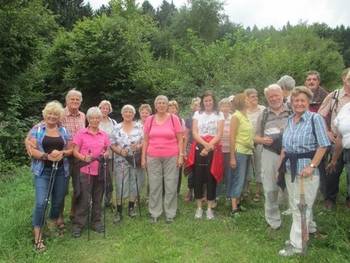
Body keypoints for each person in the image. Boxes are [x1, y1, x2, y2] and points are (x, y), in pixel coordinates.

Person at [278, 86, 330, 256]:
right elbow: (285, 148)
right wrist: (279, 166)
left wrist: (312, 166)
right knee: (294, 205)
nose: (299, 103)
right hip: (289, 168)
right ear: (291, 103)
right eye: (296, 100)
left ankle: (297, 245)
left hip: (306, 171)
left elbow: (323, 145)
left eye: (302, 100)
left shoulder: (315, 119)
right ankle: (299, 236)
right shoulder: (289, 120)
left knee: (303, 207)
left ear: (308, 102)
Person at [26, 101, 72, 251]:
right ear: (45, 114)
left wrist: (62, 153)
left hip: (61, 171)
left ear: (59, 116)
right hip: (42, 172)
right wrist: (47, 156)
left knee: (58, 201)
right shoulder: (37, 129)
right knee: (41, 202)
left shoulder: (63, 130)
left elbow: (70, 149)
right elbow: (32, 150)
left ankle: (52, 222)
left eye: (55, 114)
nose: (52, 116)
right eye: (50, 113)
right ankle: (38, 237)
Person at [254, 84, 291, 228]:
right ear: (267, 98)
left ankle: (298, 217)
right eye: (271, 96)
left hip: (290, 153)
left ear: (282, 95)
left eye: (276, 95)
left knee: (292, 185)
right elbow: (255, 137)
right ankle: (273, 220)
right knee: (270, 188)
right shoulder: (263, 114)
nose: (274, 98)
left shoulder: (292, 110)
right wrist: (262, 140)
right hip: (269, 153)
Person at [141, 95, 183, 223]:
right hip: (152, 156)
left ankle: (170, 213)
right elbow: (146, 140)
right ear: (155, 105)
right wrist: (143, 158)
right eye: (158, 103)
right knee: (154, 185)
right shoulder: (150, 119)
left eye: (163, 103)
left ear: (167, 105)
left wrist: (181, 156)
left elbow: (180, 139)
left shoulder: (174, 119)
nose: (161, 105)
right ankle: (155, 213)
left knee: (171, 184)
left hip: (171, 156)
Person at [71, 107, 110, 238]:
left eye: (97, 118)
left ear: (100, 119)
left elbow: (107, 150)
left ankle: (96, 222)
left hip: (99, 170)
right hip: (85, 170)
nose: (95, 120)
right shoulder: (81, 133)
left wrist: (105, 154)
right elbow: (74, 151)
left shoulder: (104, 135)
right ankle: (78, 224)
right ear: (88, 119)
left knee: (98, 198)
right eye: (92, 118)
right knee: (84, 198)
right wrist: (83, 158)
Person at [188, 90, 224, 220]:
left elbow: (219, 133)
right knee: (198, 177)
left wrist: (209, 147)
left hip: (213, 148)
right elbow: (194, 132)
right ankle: (198, 208)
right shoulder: (198, 113)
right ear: (203, 102)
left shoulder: (219, 115)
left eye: (210, 100)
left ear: (213, 101)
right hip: (199, 146)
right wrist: (204, 145)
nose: (208, 102)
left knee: (211, 178)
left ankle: (209, 208)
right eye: (205, 100)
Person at [319, 68, 350, 208]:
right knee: (333, 170)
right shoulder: (334, 96)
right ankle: (330, 198)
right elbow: (319, 116)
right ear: (343, 78)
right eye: (349, 79)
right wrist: (327, 132)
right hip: (336, 139)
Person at [110, 105, 143, 223]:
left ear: (133, 114)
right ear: (122, 114)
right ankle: (118, 210)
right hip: (121, 160)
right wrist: (119, 151)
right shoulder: (116, 127)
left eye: (130, 112)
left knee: (136, 182)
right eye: (126, 112)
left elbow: (146, 141)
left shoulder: (140, 126)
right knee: (120, 183)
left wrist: (139, 146)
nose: (128, 114)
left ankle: (131, 207)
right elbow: (112, 144)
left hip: (135, 158)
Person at [61, 89, 86, 227]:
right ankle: (59, 217)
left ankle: (73, 212)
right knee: (62, 188)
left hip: (78, 157)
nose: (75, 101)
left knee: (78, 187)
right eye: (72, 99)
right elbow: (45, 125)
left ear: (81, 102)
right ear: (67, 101)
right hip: (63, 156)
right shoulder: (60, 114)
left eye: (77, 99)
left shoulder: (83, 116)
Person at [228, 93, 254, 216]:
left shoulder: (245, 116)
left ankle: (238, 203)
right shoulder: (236, 116)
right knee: (238, 178)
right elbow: (232, 137)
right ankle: (234, 208)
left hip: (248, 151)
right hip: (239, 152)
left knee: (243, 179)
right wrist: (232, 157)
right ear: (241, 102)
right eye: (247, 99)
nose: (249, 100)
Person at [244, 88, 265, 202]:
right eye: (252, 97)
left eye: (256, 96)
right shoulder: (244, 111)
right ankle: (246, 189)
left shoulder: (263, 109)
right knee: (246, 166)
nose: (255, 98)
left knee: (259, 166)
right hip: (246, 143)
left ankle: (258, 190)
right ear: (246, 98)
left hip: (260, 141)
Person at [98, 100, 118, 208]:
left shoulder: (113, 122)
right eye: (103, 108)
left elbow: (115, 138)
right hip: (98, 155)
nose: (105, 110)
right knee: (99, 179)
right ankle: (98, 201)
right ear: (99, 108)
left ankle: (108, 200)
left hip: (111, 154)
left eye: (107, 108)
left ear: (109, 110)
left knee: (110, 178)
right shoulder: (95, 121)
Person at [184, 97, 201, 202]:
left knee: (202, 169)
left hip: (203, 145)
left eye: (199, 105)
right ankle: (190, 190)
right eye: (195, 105)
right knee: (191, 169)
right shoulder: (189, 119)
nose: (197, 107)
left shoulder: (205, 117)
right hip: (191, 146)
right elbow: (186, 135)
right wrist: (185, 149)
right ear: (192, 107)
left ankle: (202, 192)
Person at [168, 100, 187, 194]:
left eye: (174, 107)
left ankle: (176, 190)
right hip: (167, 149)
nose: (172, 109)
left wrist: (182, 152)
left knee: (177, 169)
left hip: (178, 147)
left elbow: (183, 136)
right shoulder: (164, 119)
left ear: (177, 109)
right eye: (170, 107)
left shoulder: (180, 120)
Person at [216, 98, 232, 202]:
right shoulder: (217, 118)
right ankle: (217, 194)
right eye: (223, 106)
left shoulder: (233, 118)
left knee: (229, 172)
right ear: (219, 108)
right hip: (219, 149)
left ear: (230, 108)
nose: (225, 108)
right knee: (218, 172)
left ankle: (229, 194)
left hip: (230, 150)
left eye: (227, 106)